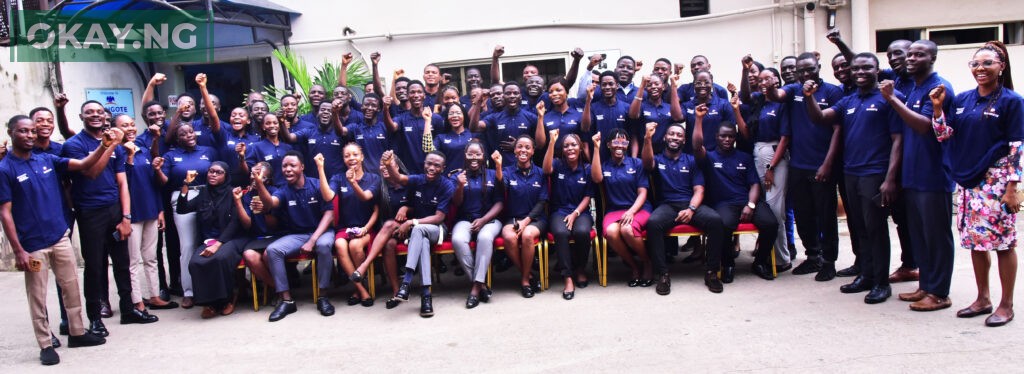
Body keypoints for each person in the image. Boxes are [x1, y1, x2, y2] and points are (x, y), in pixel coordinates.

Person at [1, 115, 112, 365]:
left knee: (71, 286)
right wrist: (19, 250)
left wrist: (104, 145)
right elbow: (5, 212)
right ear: (11, 133)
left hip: (59, 237)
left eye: (32, 131)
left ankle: (77, 332)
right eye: (23, 131)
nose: (29, 135)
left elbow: (84, 164)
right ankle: (45, 343)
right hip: (32, 245)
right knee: (38, 295)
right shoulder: (5, 169)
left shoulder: (47, 159)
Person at [929, 42, 1020, 326]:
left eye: (988, 63)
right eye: (976, 64)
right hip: (969, 182)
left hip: (997, 181)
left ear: (1001, 66)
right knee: (976, 243)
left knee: (1003, 243)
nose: (981, 68)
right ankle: (982, 298)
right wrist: (937, 108)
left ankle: (1006, 304)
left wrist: (1013, 187)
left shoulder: (1011, 101)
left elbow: (1018, 145)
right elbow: (944, 135)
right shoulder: (965, 99)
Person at [805, 52, 904, 304]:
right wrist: (809, 98)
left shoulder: (889, 98)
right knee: (860, 228)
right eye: (855, 68)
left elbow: (898, 140)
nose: (860, 72)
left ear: (877, 69)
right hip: (851, 172)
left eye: (866, 68)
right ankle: (866, 275)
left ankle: (882, 283)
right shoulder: (848, 101)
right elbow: (820, 118)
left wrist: (890, 179)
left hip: (875, 173)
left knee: (876, 228)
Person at [882, 39, 956, 311]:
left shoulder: (939, 88)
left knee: (937, 235)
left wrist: (891, 99)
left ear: (933, 58)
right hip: (913, 174)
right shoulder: (914, 88)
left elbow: (925, 126)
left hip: (933, 175)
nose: (911, 58)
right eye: (910, 54)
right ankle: (926, 284)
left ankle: (939, 293)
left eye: (919, 54)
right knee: (920, 234)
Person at [60, 101, 138, 336]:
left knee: (123, 263)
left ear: (106, 116)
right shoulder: (73, 145)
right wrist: (110, 146)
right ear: (81, 116)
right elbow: (92, 172)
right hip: (90, 211)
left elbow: (122, 181)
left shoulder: (116, 145)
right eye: (89, 112)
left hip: (114, 208)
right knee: (94, 266)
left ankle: (128, 310)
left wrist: (126, 216)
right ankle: (95, 318)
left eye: (99, 112)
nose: (95, 115)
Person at [765, 51, 844, 281]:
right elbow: (778, 95)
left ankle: (829, 261)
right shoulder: (794, 90)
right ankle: (812, 256)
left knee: (826, 215)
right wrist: (770, 87)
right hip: (798, 164)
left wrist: (828, 164)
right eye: (801, 71)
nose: (806, 74)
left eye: (810, 69)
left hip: (822, 164)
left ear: (818, 66)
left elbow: (838, 129)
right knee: (803, 214)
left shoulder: (832, 91)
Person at [693, 103, 779, 285]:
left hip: (747, 201)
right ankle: (728, 264)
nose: (727, 139)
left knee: (771, 223)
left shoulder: (744, 157)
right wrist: (699, 119)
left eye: (731, 136)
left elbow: (755, 184)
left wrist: (751, 205)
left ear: (735, 138)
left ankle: (760, 262)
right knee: (723, 225)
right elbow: (696, 144)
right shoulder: (708, 156)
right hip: (724, 203)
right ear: (716, 137)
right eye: (723, 136)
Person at [641, 121, 725, 295]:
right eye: (671, 134)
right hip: (667, 205)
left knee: (716, 221)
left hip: (690, 204)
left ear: (684, 140)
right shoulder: (657, 159)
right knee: (653, 224)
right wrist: (647, 138)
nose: (674, 137)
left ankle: (711, 272)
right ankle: (663, 274)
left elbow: (699, 190)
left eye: (679, 135)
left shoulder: (692, 161)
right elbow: (647, 163)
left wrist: (691, 209)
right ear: (664, 137)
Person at [253, 151, 336, 322]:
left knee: (323, 245)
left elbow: (330, 214)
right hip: (298, 235)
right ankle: (286, 300)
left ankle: (322, 296)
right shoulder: (283, 190)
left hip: (322, 231)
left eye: (292, 165)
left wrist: (313, 239)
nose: (288, 169)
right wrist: (260, 184)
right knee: (273, 250)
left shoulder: (316, 184)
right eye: (284, 166)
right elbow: (270, 203)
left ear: (302, 167)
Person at [379, 150, 454, 317]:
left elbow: (438, 217)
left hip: (437, 229)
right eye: (429, 163)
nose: (431, 167)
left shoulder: (447, 185)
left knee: (418, 229)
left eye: (436, 165)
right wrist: (389, 164)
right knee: (422, 242)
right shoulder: (419, 180)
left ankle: (406, 282)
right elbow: (398, 178)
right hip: (420, 233)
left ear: (443, 168)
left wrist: (412, 222)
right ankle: (426, 296)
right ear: (424, 164)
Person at [117, 115, 177, 315]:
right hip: (132, 215)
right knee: (133, 260)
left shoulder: (143, 150)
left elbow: (153, 182)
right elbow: (124, 184)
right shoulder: (117, 153)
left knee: (151, 257)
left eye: (132, 124)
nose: (130, 128)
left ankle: (154, 296)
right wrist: (130, 159)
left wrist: (160, 209)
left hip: (150, 210)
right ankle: (136, 302)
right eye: (124, 126)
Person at [737, 58, 793, 271]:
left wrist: (771, 168)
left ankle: (781, 258)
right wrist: (744, 70)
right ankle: (769, 253)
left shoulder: (781, 104)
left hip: (774, 155)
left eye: (768, 78)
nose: (763, 82)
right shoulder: (760, 101)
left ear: (777, 80)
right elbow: (744, 95)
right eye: (761, 79)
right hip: (757, 152)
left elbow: (785, 138)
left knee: (774, 209)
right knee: (766, 206)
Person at [154, 122, 218, 309]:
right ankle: (189, 291)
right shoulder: (171, 155)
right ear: (176, 138)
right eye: (183, 134)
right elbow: (164, 181)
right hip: (183, 195)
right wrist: (158, 170)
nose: (189, 135)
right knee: (188, 245)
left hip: (208, 195)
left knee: (210, 241)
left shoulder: (208, 151)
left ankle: (212, 289)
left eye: (191, 131)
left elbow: (218, 172)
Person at [314, 144, 381, 307]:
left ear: (362, 157)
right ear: (343, 159)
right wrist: (320, 168)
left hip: (367, 227)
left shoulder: (374, 178)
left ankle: (358, 289)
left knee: (356, 246)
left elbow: (372, 204)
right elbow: (328, 196)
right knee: (339, 244)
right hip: (345, 228)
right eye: (347, 156)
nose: (351, 158)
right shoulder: (338, 178)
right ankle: (361, 288)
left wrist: (365, 229)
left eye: (355, 154)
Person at [180, 162, 246, 318]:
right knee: (196, 262)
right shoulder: (204, 192)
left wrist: (218, 244)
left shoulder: (232, 193)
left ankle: (228, 299)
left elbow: (234, 223)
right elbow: (182, 209)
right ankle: (209, 303)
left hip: (230, 239)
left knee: (220, 258)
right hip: (208, 240)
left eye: (218, 172)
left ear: (226, 175)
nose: (213, 175)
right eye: (211, 171)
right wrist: (186, 184)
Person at [591, 129, 653, 288]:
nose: (620, 145)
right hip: (614, 210)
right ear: (608, 145)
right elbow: (596, 178)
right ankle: (634, 266)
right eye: (615, 142)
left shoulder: (636, 163)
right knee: (611, 232)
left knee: (627, 230)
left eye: (623, 142)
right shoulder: (604, 165)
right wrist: (596, 148)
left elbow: (643, 192)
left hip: (638, 209)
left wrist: (632, 211)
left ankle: (647, 262)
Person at [451, 139, 504, 308]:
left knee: (485, 237)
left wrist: (483, 220)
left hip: (489, 219)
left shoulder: (492, 174)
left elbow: (500, 203)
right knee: (458, 240)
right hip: (465, 219)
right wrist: (459, 186)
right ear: (465, 156)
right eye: (470, 154)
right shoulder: (457, 175)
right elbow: (456, 204)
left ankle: (475, 288)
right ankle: (481, 284)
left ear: (483, 156)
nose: (474, 157)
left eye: (478, 154)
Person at [543, 129, 594, 300]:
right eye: (566, 146)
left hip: (581, 212)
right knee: (561, 233)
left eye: (573, 145)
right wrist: (551, 142)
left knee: (581, 232)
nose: (570, 148)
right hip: (559, 211)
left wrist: (576, 213)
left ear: (580, 147)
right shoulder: (557, 164)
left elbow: (588, 196)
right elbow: (545, 168)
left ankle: (580, 268)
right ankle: (568, 277)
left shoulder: (587, 168)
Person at [495, 135, 547, 298]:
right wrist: (498, 166)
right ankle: (529, 274)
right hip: (512, 218)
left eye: (527, 147)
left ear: (532, 151)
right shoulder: (507, 171)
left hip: (535, 219)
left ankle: (524, 279)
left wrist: (525, 222)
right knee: (509, 237)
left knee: (527, 235)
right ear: (514, 151)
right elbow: (501, 186)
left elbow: (542, 201)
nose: (523, 150)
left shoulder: (540, 172)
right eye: (520, 147)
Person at [234, 162, 278, 297]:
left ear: (268, 180)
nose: (255, 179)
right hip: (256, 239)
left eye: (259, 176)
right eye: (253, 175)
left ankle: (278, 290)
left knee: (268, 253)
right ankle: (277, 288)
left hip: (275, 236)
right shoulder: (247, 195)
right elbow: (247, 225)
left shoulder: (275, 192)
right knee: (249, 255)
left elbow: (275, 225)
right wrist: (238, 202)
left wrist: (265, 210)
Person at [383, 79, 444, 174]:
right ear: (407, 96)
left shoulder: (435, 118)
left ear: (424, 95)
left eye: (419, 92)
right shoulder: (401, 118)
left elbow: (441, 144)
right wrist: (386, 109)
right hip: (409, 173)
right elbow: (392, 127)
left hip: (432, 172)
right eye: (412, 92)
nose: (416, 95)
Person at [469, 82, 538, 165]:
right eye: (508, 93)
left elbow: (540, 144)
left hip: (525, 168)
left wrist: (518, 146)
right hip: (501, 169)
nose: (512, 96)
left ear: (520, 96)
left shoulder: (531, 117)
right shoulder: (494, 118)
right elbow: (474, 128)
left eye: (515, 93)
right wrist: (479, 101)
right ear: (503, 96)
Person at [281, 101, 347, 179]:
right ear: (317, 113)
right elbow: (289, 138)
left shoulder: (340, 133)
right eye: (322, 109)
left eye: (329, 110)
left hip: (337, 180)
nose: (325, 112)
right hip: (314, 181)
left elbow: (343, 132)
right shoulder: (309, 131)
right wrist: (281, 121)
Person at [536, 78, 591, 158]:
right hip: (554, 163)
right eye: (550, 92)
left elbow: (585, 142)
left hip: (575, 162)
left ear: (567, 92)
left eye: (558, 90)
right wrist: (540, 117)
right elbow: (540, 145)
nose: (554, 94)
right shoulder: (545, 117)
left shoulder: (578, 115)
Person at [629, 74, 683, 156]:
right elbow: (633, 116)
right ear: (646, 88)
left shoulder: (669, 107)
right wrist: (642, 86)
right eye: (649, 85)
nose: (653, 87)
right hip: (644, 152)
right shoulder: (641, 106)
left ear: (664, 87)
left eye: (657, 84)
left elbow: (678, 120)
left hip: (665, 155)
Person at [682, 71, 735, 154]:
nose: (702, 86)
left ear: (712, 83)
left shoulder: (723, 104)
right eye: (698, 83)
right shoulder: (687, 105)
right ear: (694, 85)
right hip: (692, 154)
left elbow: (731, 130)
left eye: (706, 82)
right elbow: (677, 118)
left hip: (717, 156)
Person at [244, 113, 293, 186]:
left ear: (279, 126)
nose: (272, 125)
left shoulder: (288, 147)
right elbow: (248, 170)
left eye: (275, 123)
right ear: (263, 127)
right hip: (268, 189)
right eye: (268, 123)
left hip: (288, 188)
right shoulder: (255, 147)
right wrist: (241, 158)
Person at [216, 107, 260, 187]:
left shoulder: (256, 139)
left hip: (249, 184)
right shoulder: (224, 135)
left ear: (248, 121)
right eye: (233, 115)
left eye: (241, 115)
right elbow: (213, 117)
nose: (236, 117)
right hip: (226, 184)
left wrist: (241, 156)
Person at [427, 103, 476, 173]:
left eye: (458, 113)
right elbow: (429, 150)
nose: (454, 116)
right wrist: (427, 121)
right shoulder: (441, 138)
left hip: (470, 179)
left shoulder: (473, 135)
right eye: (451, 113)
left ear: (464, 115)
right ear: (447, 117)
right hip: (448, 179)